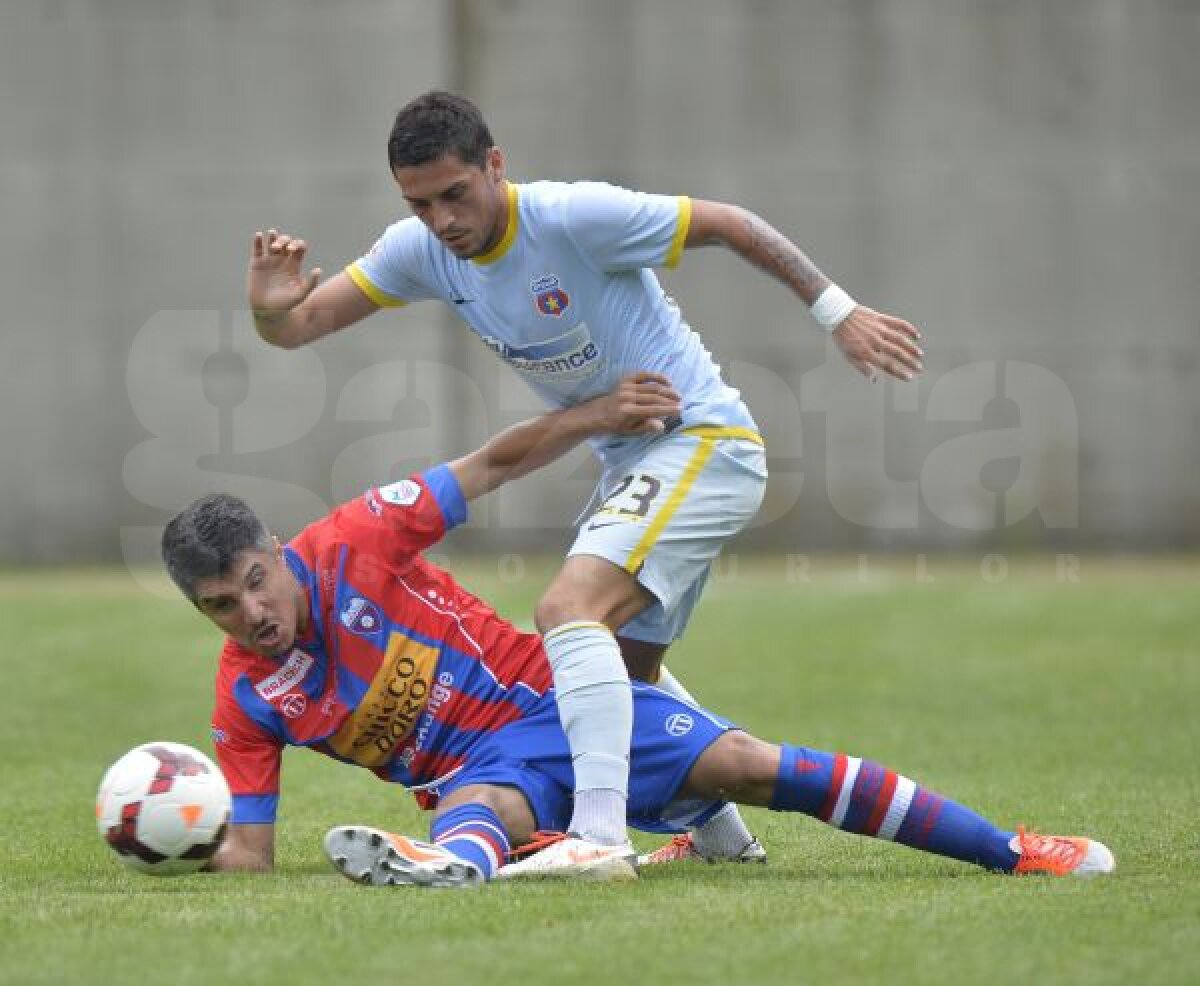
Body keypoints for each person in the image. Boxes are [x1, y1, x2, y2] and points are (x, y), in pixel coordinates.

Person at [246, 89, 925, 870]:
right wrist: (268, 311)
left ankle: (598, 838)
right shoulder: (421, 249)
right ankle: (724, 842)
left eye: (455, 194)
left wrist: (838, 312)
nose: (442, 221)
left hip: (704, 442)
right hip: (634, 461)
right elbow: (299, 324)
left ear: (495, 165)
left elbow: (731, 223)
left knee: (570, 611)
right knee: (624, 681)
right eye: (420, 204)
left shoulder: (573, 218)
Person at [161, 378, 1112, 884]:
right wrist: (168, 834)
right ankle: (454, 866)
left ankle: (1014, 850)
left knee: (750, 766)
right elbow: (251, 852)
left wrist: (596, 415)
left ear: (277, 551)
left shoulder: (354, 541)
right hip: (480, 776)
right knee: (472, 812)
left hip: (553, 703)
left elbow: (489, 465)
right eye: (222, 607)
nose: (253, 615)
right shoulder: (245, 698)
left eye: (255, 583)